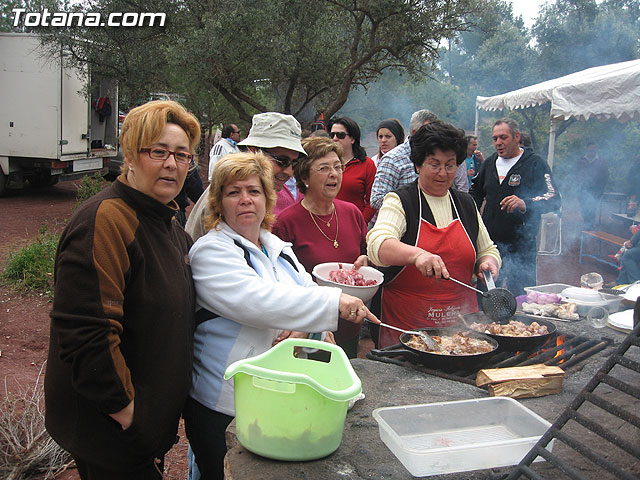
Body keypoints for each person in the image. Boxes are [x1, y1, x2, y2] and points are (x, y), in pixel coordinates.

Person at [184, 152, 378, 479]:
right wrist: (333, 304)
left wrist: (312, 324)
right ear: (218, 202)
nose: (245, 199)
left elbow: (303, 287)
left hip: (273, 396)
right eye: (234, 192)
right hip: (224, 401)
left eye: (254, 191)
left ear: (267, 199)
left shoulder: (275, 246)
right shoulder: (210, 251)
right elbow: (256, 300)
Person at [45, 100, 200, 479]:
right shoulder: (106, 221)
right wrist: (131, 415)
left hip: (141, 433)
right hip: (111, 432)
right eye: (158, 151)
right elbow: (87, 332)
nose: (172, 164)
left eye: (182, 155)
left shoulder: (169, 226)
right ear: (130, 155)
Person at [367, 121, 501, 348]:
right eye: (434, 164)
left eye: (450, 165)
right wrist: (418, 256)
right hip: (407, 329)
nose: (443, 173)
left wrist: (488, 262)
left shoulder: (466, 204)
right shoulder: (400, 200)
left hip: (462, 328)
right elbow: (377, 244)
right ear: (418, 164)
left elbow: (487, 249)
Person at [273, 136, 369, 358]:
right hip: (307, 333)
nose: (334, 174)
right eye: (324, 168)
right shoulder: (286, 223)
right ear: (304, 176)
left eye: (337, 167)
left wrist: (366, 261)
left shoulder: (352, 213)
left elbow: (365, 254)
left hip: (349, 324)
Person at [470, 118, 561, 297]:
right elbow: (475, 193)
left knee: (521, 297)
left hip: (521, 243)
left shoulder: (535, 163)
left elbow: (554, 198)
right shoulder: (490, 163)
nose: (498, 143)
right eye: (495, 138)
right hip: (491, 245)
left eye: (503, 137)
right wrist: (472, 219)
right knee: (486, 295)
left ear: (516, 137)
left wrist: (525, 203)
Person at [186, 112, 306, 241]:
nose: (289, 172)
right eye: (282, 161)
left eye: (294, 163)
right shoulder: (229, 193)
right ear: (254, 151)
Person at [370, 109, 439, 211]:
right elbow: (377, 199)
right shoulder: (393, 159)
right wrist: (409, 207)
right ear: (415, 133)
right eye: (429, 132)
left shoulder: (435, 156)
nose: (434, 136)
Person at [329, 117, 377, 223]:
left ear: (352, 139)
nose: (335, 138)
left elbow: (372, 201)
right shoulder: (324, 163)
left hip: (353, 225)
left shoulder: (367, 165)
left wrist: (360, 224)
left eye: (340, 135)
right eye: (332, 135)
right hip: (325, 224)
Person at [576, 142, 609, 230]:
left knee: (593, 206)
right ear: (587, 149)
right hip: (582, 188)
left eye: (594, 148)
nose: (592, 150)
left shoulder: (601, 161)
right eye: (590, 149)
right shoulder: (581, 160)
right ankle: (586, 222)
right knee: (583, 206)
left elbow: (605, 175)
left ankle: (590, 224)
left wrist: (601, 189)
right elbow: (575, 173)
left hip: (596, 189)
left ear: (596, 149)